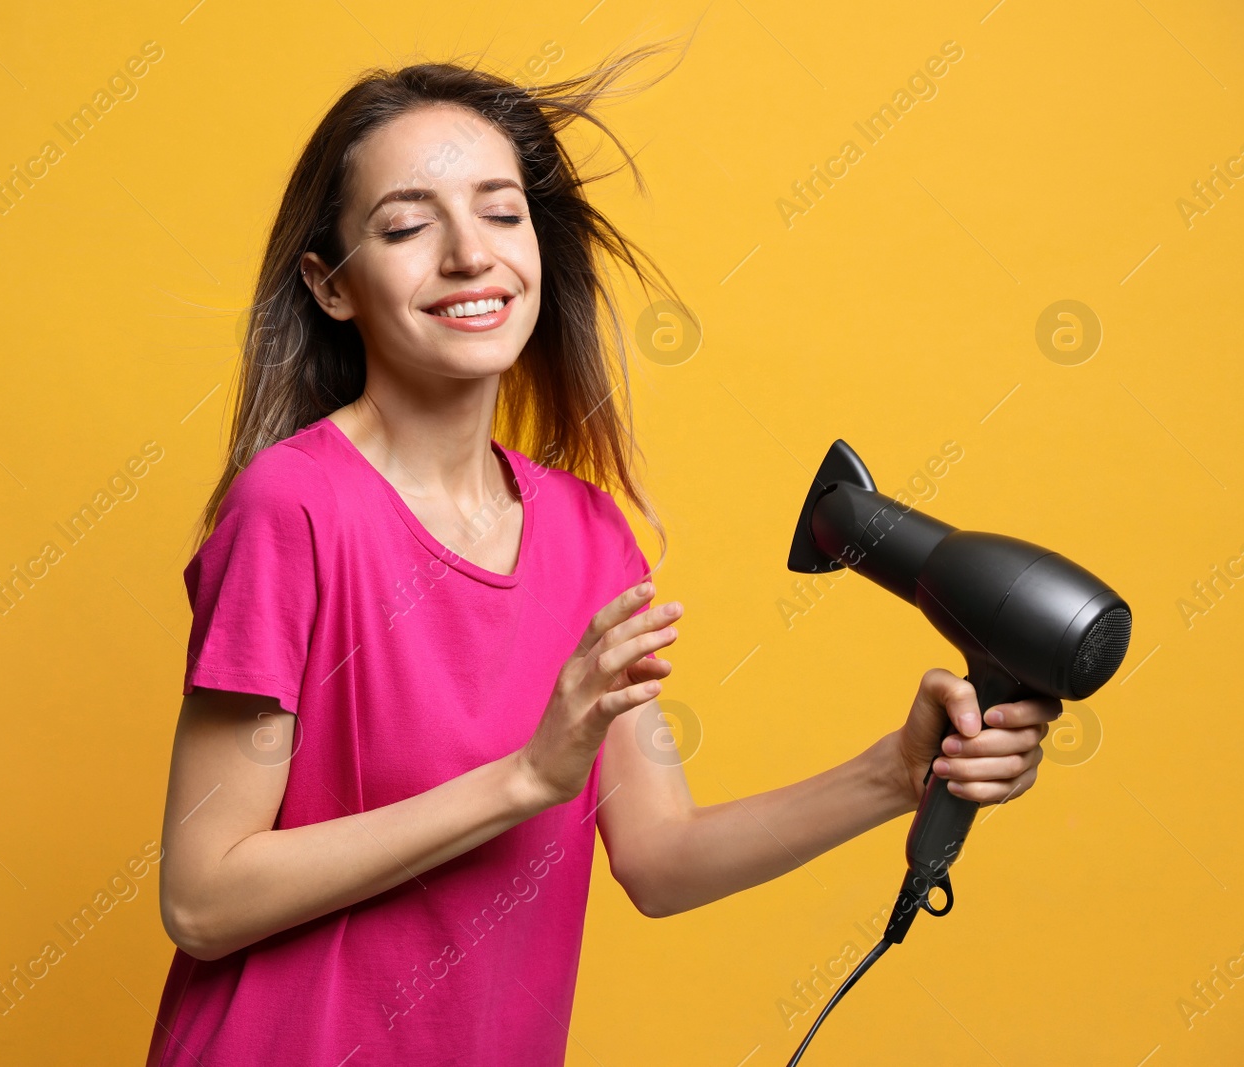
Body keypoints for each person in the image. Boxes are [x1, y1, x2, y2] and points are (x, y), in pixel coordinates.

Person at [146, 39, 1060, 1067]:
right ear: (331, 285)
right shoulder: (294, 507)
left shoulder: (589, 537)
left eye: (500, 212)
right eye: (407, 225)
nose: (469, 254)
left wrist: (896, 770)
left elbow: (661, 859)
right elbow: (203, 894)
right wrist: (528, 777)